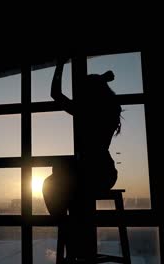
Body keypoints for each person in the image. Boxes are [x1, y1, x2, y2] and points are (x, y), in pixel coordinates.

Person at [42, 57, 123, 262]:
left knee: (55, 186)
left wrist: (60, 64)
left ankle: (73, 244)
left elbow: (55, 94)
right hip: (104, 173)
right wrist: (101, 80)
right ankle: (78, 249)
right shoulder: (108, 110)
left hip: (93, 174)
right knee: (66, 189)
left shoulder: (88, 112)